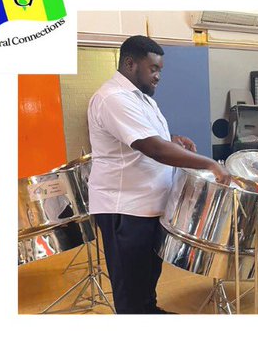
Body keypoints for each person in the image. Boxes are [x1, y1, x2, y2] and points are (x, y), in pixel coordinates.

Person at [88, 35, 228, 314]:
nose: (158, 76)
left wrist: (172, 138)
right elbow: (152, 148)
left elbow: (149, 138)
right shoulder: (113, 98)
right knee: (131, 289)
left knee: (145, 280)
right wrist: (209, 164)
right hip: (125, 211)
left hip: (148, 208)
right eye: (153, 69)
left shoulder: (142, 99)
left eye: (159, 70)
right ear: (130, 64)